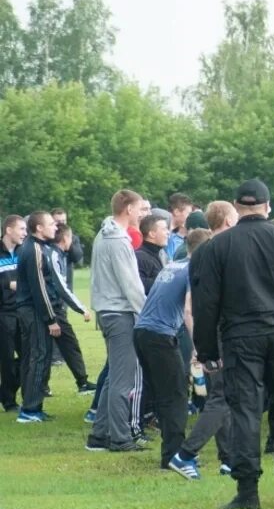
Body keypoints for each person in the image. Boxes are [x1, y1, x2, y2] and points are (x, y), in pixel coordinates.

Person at [191, 179, 274, 509]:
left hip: (240, 338)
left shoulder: (216, 247)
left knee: (245, 412)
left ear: (237, 208)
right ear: (267, 207)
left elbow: (205, 304)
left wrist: (207, 351)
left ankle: (248, 492)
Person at [166, 202, 239, 479]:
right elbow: (192, 305)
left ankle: (228, 458)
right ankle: (185, 454)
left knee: (223, 395)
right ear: (228, 220)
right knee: (222, 396)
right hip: (222, 332)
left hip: (213, 332)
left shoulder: (204, 251)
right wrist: (202, 345)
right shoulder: (222, 251)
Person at [135, 229, 211, 475]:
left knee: (164, 394)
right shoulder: (193, 270)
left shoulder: (173, 265)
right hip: (159, 336)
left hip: (143, 333)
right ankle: (175, 456)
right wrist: (200, 346)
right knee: (177, 395)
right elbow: (189, 311)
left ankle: (170, 453)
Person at [86, 189, 148, 452]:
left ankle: (99, 435)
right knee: (124, 381)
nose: (143, 214)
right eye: (140, 208)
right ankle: (120, 438)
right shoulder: (119, 240)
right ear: (128, 209)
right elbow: (131, 285)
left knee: (113, 377)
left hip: (107, 312)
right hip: (120, 314)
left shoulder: (104, 235)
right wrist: (147, 316)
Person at [14, 211, 91, 423]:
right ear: (39, 228)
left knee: (34, 357)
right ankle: (30, 410)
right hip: (34, 311)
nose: (55, 228)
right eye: (50, 224)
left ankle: (30, 406)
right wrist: (51, 320)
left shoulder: (36, 247)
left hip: (31, 310)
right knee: (40, 357)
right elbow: (40, 289)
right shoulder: (36, 250)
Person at [48, 223, 95, 395]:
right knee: (68, 344)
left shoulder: (57, 254)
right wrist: (81, 308)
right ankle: (82, 383)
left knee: (50, 350)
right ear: (66, 238)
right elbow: (61, 286)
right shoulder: (53, 254)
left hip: (53, 308)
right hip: (53, 309)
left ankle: (81, 382)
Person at [0, 216, 25, 412]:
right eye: (21, 229)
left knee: (28, 355)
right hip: (3, 313)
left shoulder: (22, 251)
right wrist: (8, 284)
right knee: (6, 359)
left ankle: (5, 391)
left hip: (22, 310)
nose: (25, 233)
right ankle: (9, 402)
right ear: (9, 230)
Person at [49, 208, 83, 290]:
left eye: (63, 221)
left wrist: (67, 241)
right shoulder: (47, 238)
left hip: (67, 283)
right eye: (58, 222)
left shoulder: (72, 238)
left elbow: (77, 258)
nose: (61, 224)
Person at [136, 215, 169, 294]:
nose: (168, 232)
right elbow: (139, 286)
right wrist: (167, 282)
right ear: (152, 234)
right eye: (164, 229)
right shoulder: (140, 257)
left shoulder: (158, 254)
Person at [165, 192, 193, 260]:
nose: (190, 217)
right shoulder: (163, 234)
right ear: (177, 212)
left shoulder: (176, 236)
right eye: (188, 213)